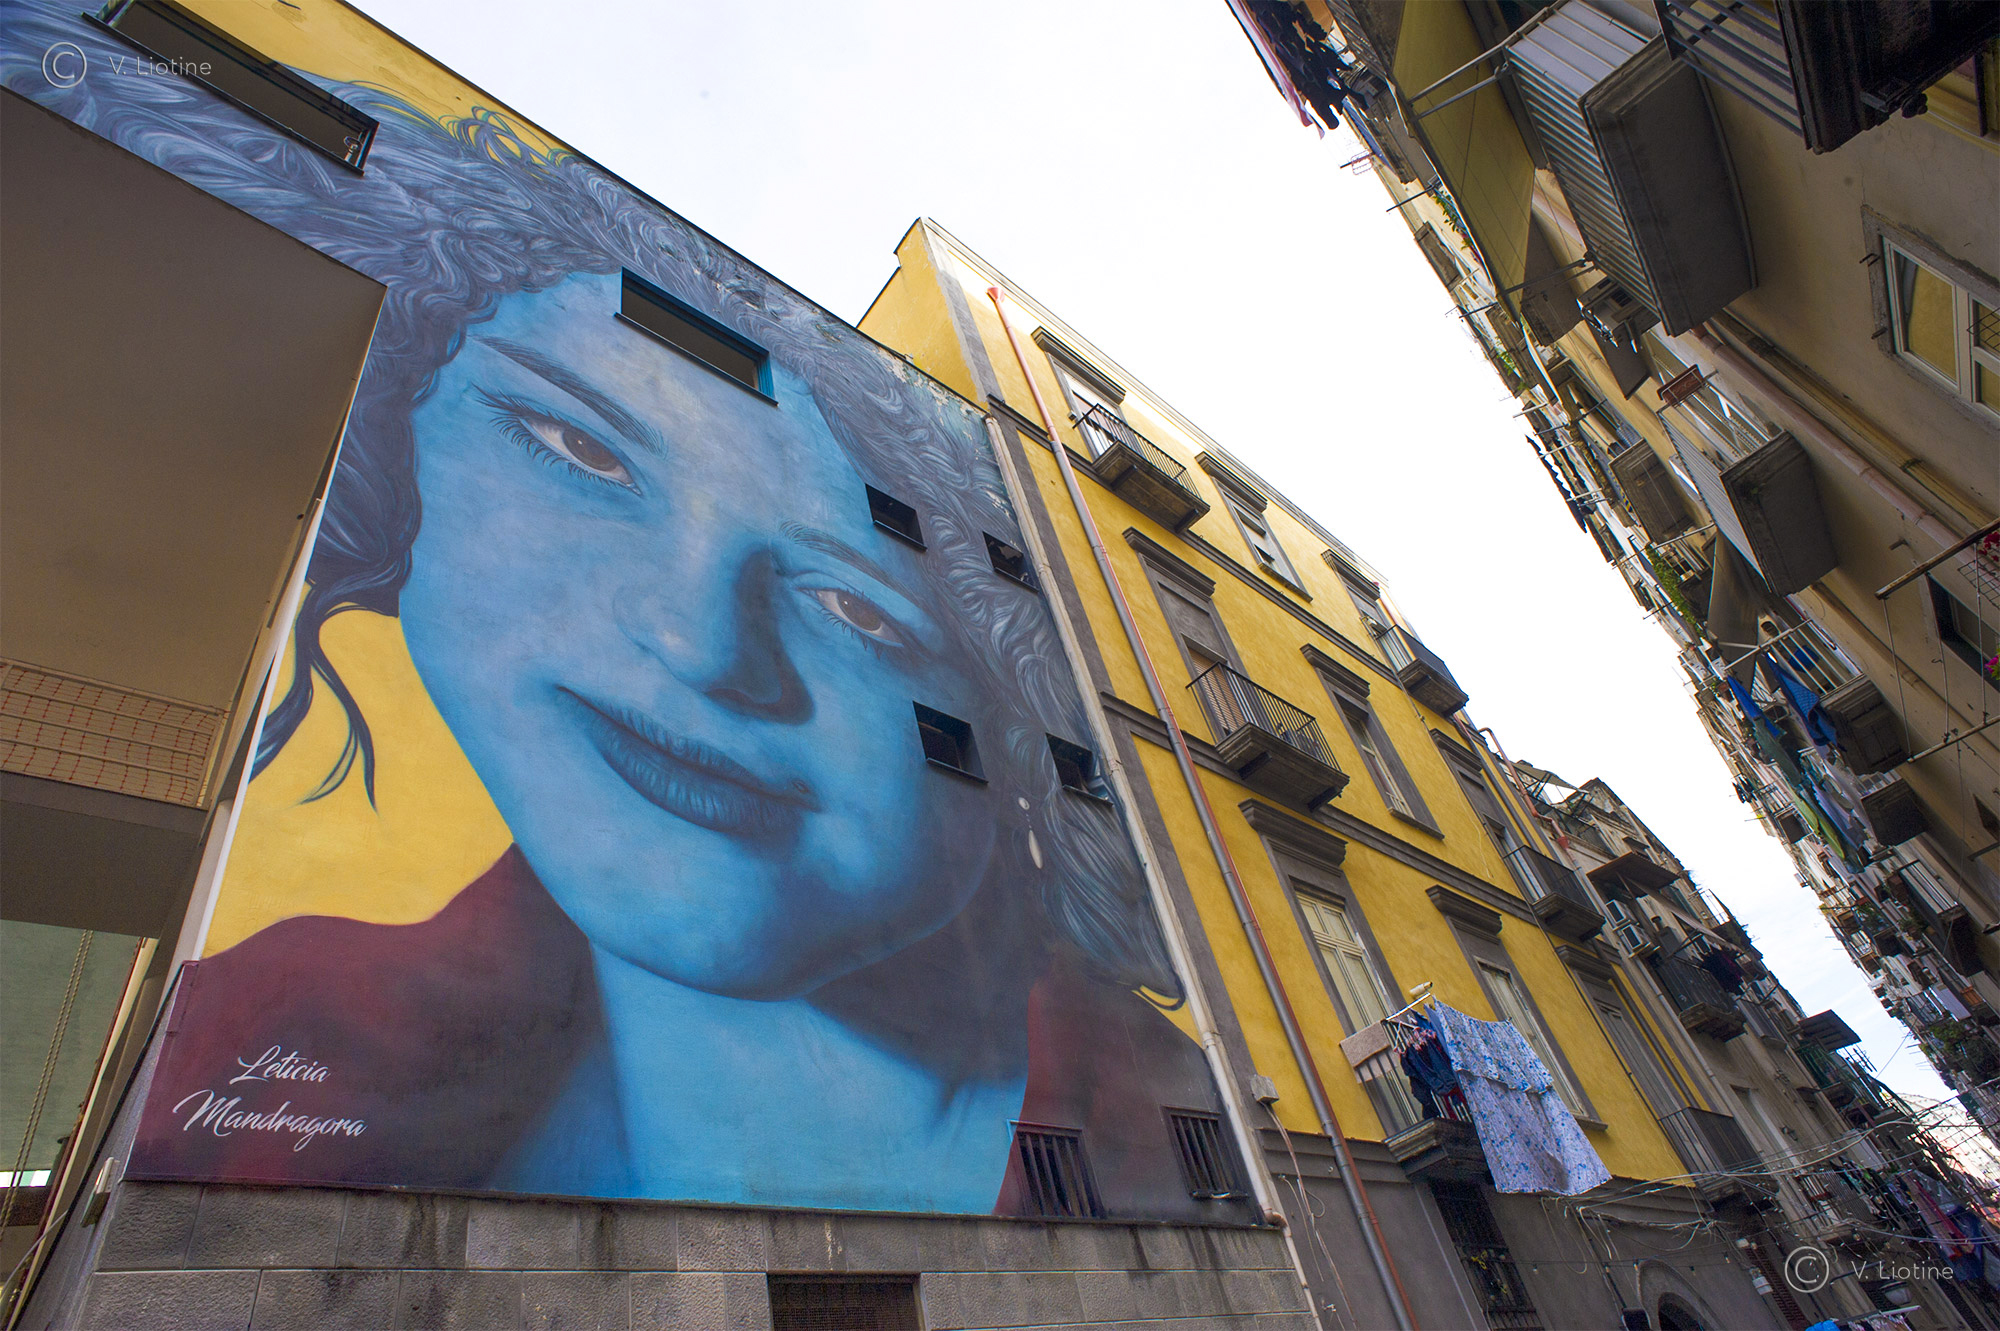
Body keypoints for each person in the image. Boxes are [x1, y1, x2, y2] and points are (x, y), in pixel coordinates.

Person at [12, 39, 1232, 1217]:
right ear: (402, 443)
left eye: (855, 608)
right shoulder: (257, 1034)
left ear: (1011, 737)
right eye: (578, 449)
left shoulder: (1161, 1120)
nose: (702, 646)